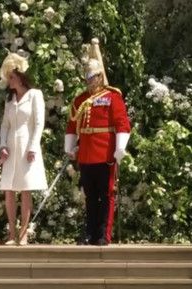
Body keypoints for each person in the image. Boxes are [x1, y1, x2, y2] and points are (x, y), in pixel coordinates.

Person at [64, 38, 130, 246]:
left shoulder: (112, 97)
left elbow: (122, 124)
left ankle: (104, 233)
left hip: (105, 152)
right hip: (85, 154)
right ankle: (89, 232)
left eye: (92, 77)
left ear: (100, 76)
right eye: (87, 77)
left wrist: (120, 147)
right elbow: (72, 125)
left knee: (106, 194)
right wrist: (69, 147)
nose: (89, 81)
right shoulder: (80, 99)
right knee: (90, 196)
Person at [0, 53, 47, 246]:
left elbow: (39, 123)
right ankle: (11, 233)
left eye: (11, 77)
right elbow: (5, 125)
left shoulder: (35, 95)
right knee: (9, 189)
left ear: (20, 77)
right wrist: (2, 145)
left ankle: (24, 233)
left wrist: (33, 146)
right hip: (11, 147)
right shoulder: (9, 100)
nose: (9, 81)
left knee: (26, 189)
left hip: (27, 146)